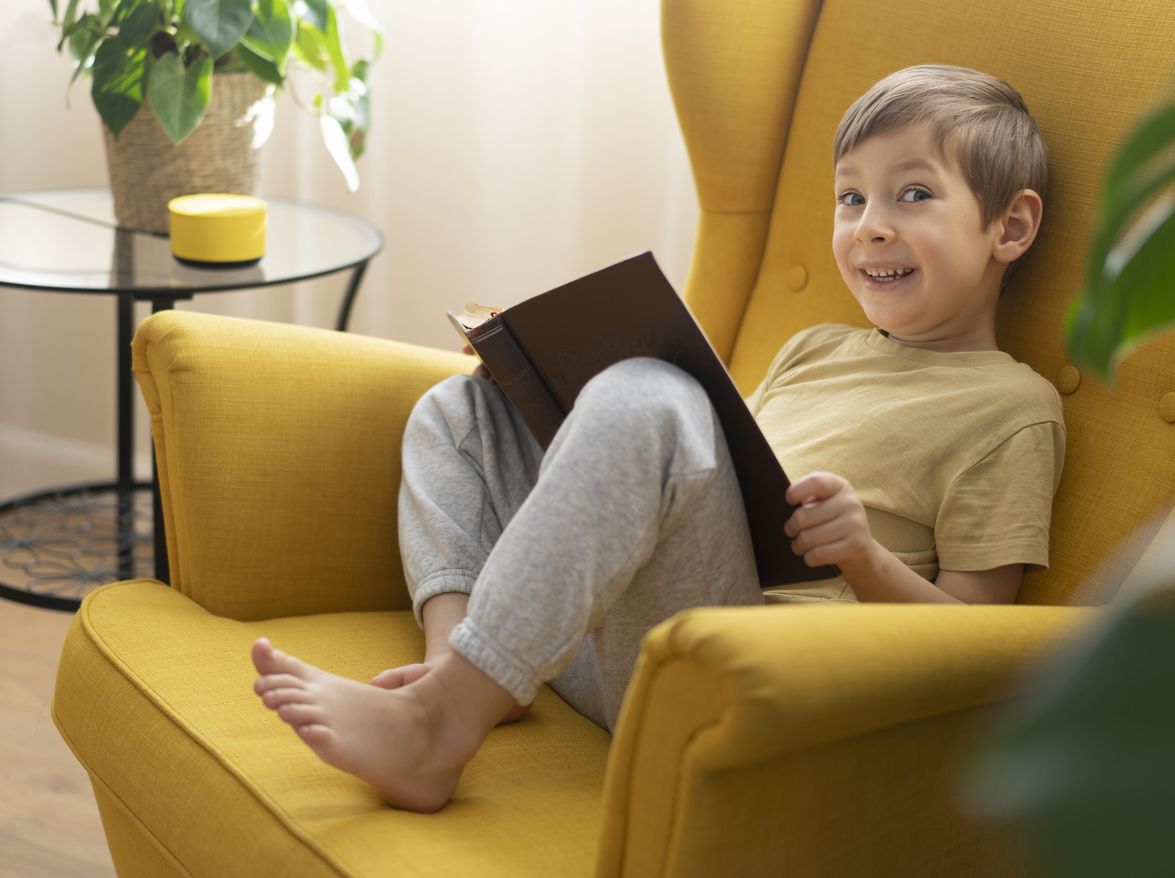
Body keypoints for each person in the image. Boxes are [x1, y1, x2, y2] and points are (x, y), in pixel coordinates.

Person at [250, 64, 1066, 813]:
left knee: (653, 396)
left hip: (736, 680)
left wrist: (867, 558)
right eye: (851, 198)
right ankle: (464, 670)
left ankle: (435, 730)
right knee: (460, 414)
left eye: (913, 195)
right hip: (611, 637)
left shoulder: (1010, 409)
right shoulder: (816, 348)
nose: (870, 228)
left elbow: (977, 642)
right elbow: (704, 472)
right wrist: (542, 391)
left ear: (1011, 227)